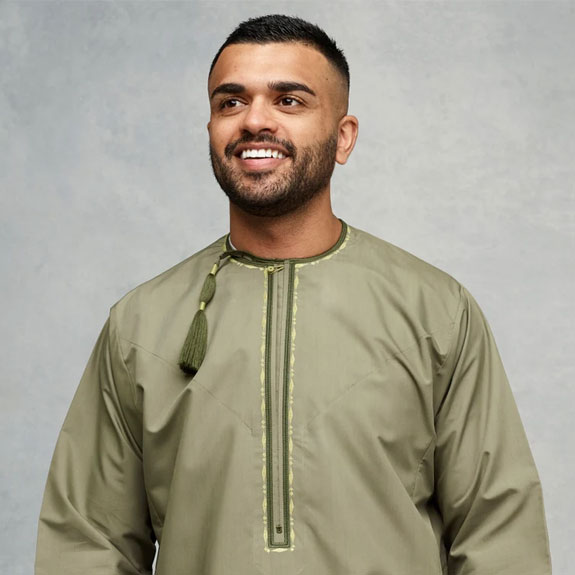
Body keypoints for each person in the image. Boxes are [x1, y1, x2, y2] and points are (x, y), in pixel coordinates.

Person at [35, 14, 552, 575]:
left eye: (289, 101)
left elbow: (500, 539)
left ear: (344, 137)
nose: (255, 120)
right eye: (231, 102)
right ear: (210, 128)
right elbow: (88, 544)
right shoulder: (140, 324)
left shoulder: (437, 311)